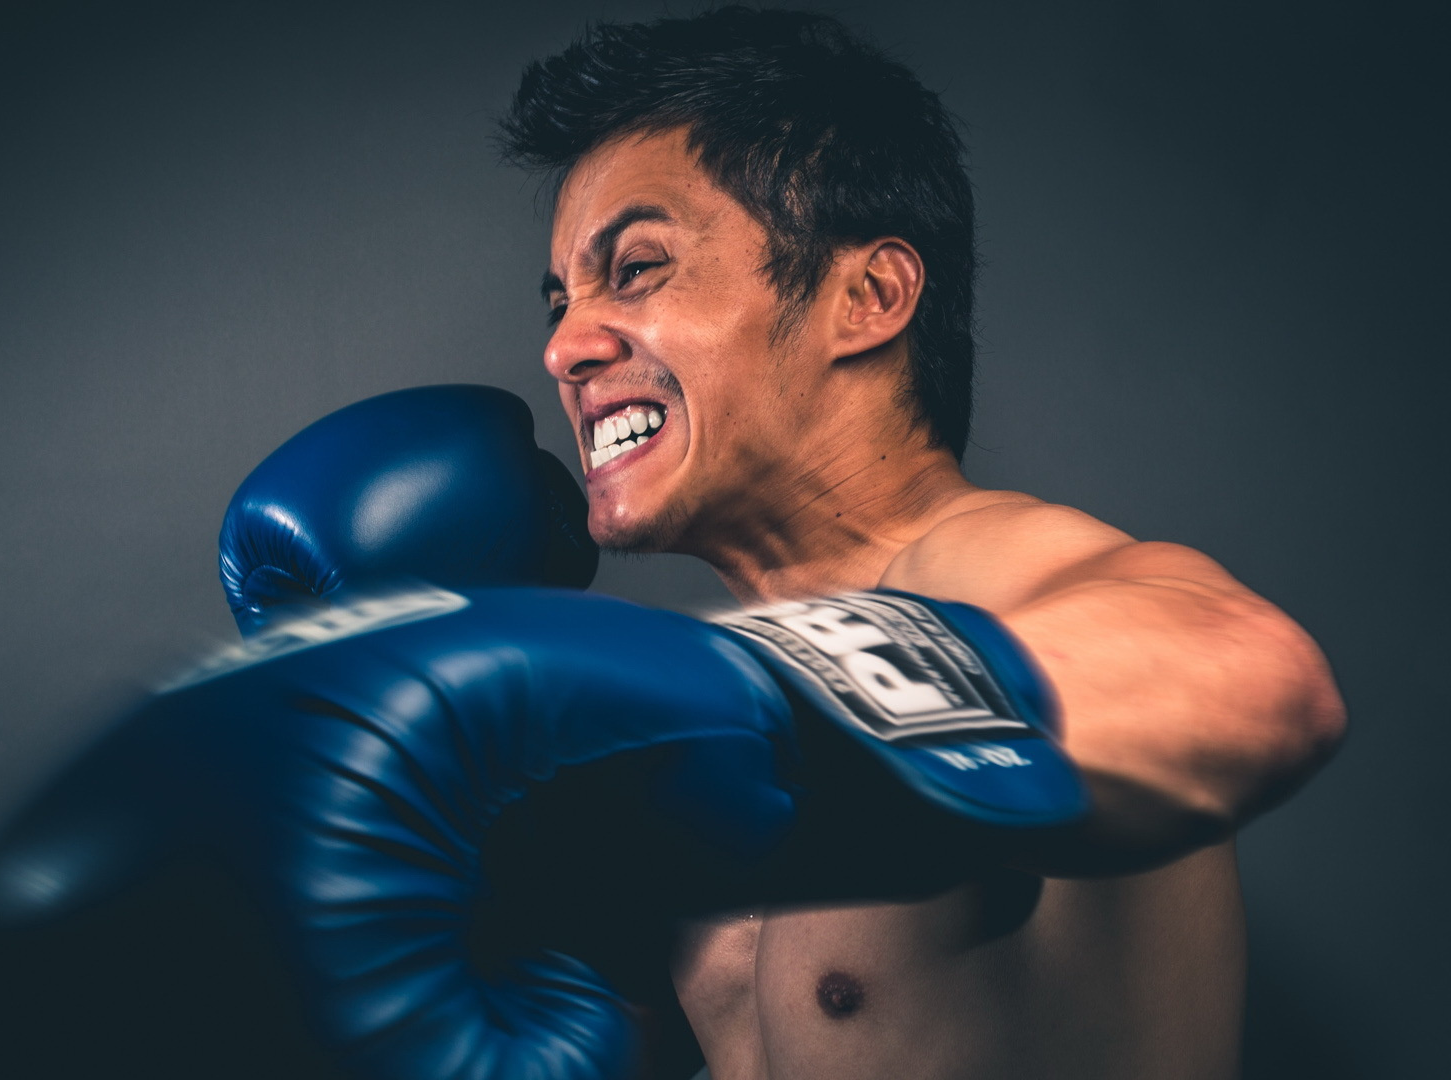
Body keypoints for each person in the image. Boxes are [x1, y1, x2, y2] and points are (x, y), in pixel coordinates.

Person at [493, 7, 1345, 1078]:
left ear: (869, 295)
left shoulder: (1013, 573)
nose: (564, 345)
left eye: (639, 269)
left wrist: (700, 714)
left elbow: (1259, 678)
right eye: (562, 297)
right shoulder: (692, 750)